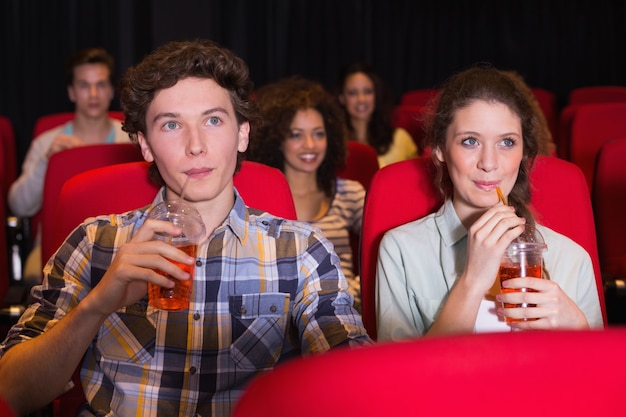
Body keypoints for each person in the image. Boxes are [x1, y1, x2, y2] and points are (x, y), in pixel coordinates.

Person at [0, 40, 371, 416]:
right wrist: (96, 306)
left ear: (242, 134)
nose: (196, 146)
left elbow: (354, 373)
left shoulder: (301, 249)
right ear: (145, 144)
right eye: (172, 124)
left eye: (213, 120)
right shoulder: (94, 241)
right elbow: (13, 393)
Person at [376, 65, 603, 341]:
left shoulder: (572, 258)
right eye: (470, 141)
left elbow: (601, 381)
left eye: (507, 142)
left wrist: (579, 330)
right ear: (439, 150)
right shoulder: (400, 251)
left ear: (524, 154)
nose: (489, 163)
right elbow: (400, 379)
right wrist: (472, 282)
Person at [8, 47, 129, 288]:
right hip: (57, 243)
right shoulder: (47, 142)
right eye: (84, 85)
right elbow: (18, 205)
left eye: (101, 84)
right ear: (72, 92)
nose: (93, 93)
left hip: (121, 241)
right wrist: (47, 161)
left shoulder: (131, 140)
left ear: (111, 91)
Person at [247, 76, 365, 311]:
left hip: (342, 312)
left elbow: (383, 252)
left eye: (319, 134)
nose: (310, 144)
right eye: (296, 135)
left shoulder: (350, 193)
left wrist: (360, 288)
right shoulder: (256, 200)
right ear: (277, 140)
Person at [337, 62, 418, 167]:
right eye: (353, 93)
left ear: (376, 94)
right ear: (342, 98)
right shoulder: (333, 142)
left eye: (367, 91)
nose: (361, 99)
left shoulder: (400, 139)